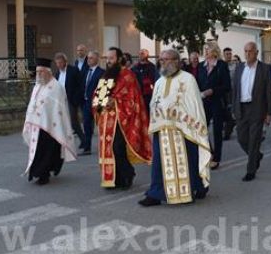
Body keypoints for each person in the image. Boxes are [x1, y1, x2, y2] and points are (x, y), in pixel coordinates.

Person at [139, 49, 211, 206]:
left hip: (183, 129)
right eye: (161, 60)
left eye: (167, 60)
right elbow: (154, 103)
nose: (163, 63)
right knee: (159, 163)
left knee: (188, 160)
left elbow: (194, 105)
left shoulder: (188, 79)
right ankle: (155, 194)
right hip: (162, 128)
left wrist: (183, 119)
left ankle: (192, 188)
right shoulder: (159, 81)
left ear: (177, 61)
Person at [93, 47, 152, 189]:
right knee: (108, 149)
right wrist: (100, 104)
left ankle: (127, 175)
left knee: (118, 148)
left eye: (111, 58)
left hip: (120, 119)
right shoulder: (106, 75)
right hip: (106, 119)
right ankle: (112, 178)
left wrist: (116, 101)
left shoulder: (127, 75)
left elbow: (133, 99)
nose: (108, 61)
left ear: (119, 59)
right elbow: (98, 96)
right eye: (107, 58)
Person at [23, 59, 77, 184]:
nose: (39, 74)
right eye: (37, 72)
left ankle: (44, 175)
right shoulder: (37, 86)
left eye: (42, 72)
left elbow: (59, 108)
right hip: (37, 125)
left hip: (51, 127)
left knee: (48, 151)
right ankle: (37, 172)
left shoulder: (56, 87)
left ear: (48, 72)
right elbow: (33, 104)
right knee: (38, 151)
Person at [232, 41, 271, 181]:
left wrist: (269, 113)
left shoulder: (265, 69)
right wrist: (233, 107)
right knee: (241, 138)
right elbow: (235, 89)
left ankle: (251, 171)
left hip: (257, 108)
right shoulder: (239, 68)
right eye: (246, 51)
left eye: (250, 51)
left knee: (254, 139)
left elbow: (268, 91)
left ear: (256, 52)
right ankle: (256, 155)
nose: (247, 54)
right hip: (241, 108)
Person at [198, 43, 231, 169]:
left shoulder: (221, 65)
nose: (206, 51)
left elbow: (227, 86)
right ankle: (209, 152)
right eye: (205, 49)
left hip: (217, 101)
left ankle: (216, 158)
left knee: (217, 130)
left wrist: (213, 90)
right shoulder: (202, 66)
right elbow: (198, 82)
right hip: (204, 102)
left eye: (208, 49)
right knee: (201, 129)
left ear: (215, 51)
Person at [54, 52, 86, 150]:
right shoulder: (58, 73)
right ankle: (66, 143)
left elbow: (81, 85)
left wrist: (77, 98)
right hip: (60, 100)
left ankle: (84, 140)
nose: (59, 65)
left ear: (65, 62)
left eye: (60, 62)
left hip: (71, 100)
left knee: (73, 121)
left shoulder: (73, 70)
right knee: (62, 122)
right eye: (57, 63)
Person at [80, 50, 104, 155]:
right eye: (88, 58)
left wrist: (100, 103)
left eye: (91, 58)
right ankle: (87, 147)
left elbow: (103, 89)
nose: (88, 60)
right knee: (86, 125)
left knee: (100, 125)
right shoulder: (85, 71)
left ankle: (104, 145)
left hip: (96, 103)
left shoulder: (101, 72)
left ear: (97, 59)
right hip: (86, 103)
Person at [222, 47, 237, 140]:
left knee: (232, 112)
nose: (228, 55)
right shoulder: (220, 65)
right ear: (223, 55)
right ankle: (227, 129)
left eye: (230, 54)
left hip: (233, 91)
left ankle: (228, 130)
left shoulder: (235, 65)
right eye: (227, 54)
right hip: (224, 93)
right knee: (226, 113)